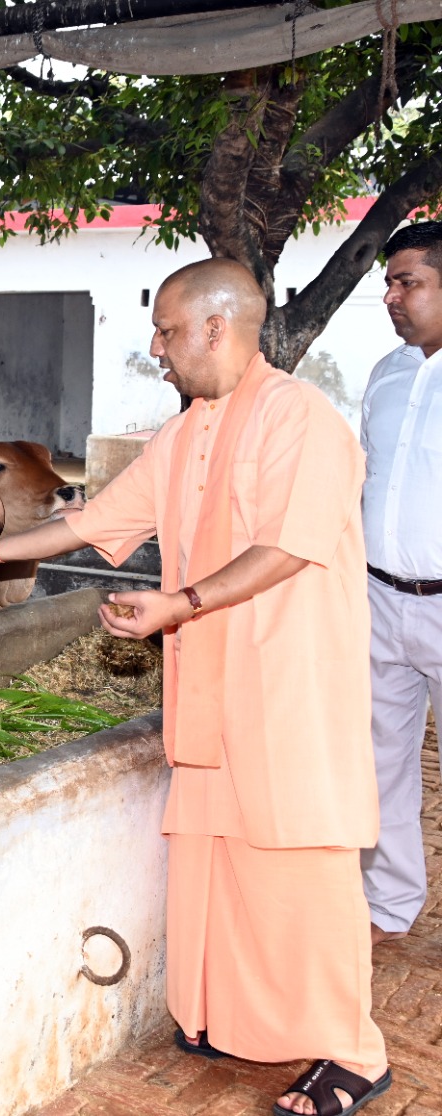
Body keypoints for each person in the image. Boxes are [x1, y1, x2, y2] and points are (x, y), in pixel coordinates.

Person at [0, 258, 388, 1116]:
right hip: (210, 674)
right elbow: (94, 520)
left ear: (218, 327)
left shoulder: (303, 420)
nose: (157, 349)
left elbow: (288, 544)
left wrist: (180, 601)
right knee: (214, 852)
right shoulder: (187, 431)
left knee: (300, 866)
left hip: (288, 680)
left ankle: (353, 1053)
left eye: (168, 332)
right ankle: (225, 1016)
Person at [361, 220, 442, 949]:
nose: (390, 295)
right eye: (389, 282)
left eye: (407, 282)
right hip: (380, 598)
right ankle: (388, 905)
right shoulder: (385, 375)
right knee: (380, 757)